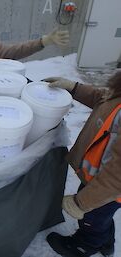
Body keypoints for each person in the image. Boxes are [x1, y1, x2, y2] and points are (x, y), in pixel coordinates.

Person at [44, 73, 121, 257]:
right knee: (102, 217)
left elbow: (117, 177)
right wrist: (74, 87)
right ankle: (106, 243)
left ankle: (84, 246)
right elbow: (102, 98)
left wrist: (81, 203)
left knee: (92, 218)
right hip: (97, 181)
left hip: (106, 188)